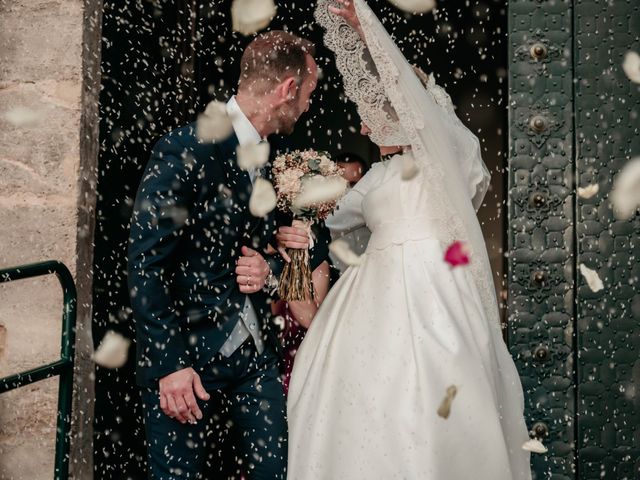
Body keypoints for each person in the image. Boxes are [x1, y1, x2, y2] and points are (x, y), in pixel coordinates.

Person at [284, 1, 533, 478]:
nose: (363, 124)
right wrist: (302, 195)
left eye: (374, 110)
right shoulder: (375, 179)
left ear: (404, 109)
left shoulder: (449, 166)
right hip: (370, 299)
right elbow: (332, 222)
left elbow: (408, 90)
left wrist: (364, 32)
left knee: (436, 392)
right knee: (366, 393)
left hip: (434, 290)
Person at [127, 31, 321, 479]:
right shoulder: (186, 148)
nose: (310, 105)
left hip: (255, 359)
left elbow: (285, 244)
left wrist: (270, 269)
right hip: (188, 363)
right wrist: (171, 365)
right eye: (309, 92)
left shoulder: (282, 158)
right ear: (287, 90)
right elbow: (145, 264)